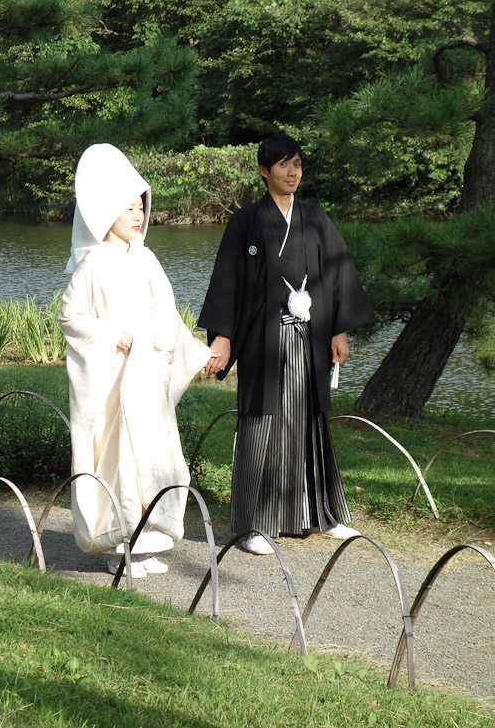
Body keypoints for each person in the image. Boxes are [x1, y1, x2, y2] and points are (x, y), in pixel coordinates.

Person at [199, 134, 374, 554]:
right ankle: (254, 523)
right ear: (264, 171)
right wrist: (223, 338)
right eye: (283, 165)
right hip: (264, 338)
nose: (292, 172)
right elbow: (229, 282)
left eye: (296, 164)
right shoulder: (245, 221)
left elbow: (336, 276)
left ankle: (319, 514)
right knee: (262, 421)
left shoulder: (315, 219)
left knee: (309, 420)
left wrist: (338, 330)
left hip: (309, 336)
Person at [59, 144, 211, 577]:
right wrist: (111, 337)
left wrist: (191, 351)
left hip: (145, 381)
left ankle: (144, 540)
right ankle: (117, 546)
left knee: (155, 456)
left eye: (140, 205)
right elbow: (71, 318)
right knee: (119, 461)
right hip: (111, 383)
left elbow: (166, 313)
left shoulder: (146, 259)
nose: (137, 214)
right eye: (127, 208)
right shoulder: (92, 266)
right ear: (106, 212)